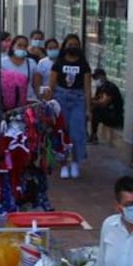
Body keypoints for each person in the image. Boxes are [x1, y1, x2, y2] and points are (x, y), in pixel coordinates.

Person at [49, 34, 92, 179]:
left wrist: (88, 109)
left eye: (75, 44)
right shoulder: (58, 63)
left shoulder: (83, 65)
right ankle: (62, 164)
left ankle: (74, 162)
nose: (72, 47)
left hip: (78, 100)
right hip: (60, 98)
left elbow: (87, 88)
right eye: (70, 44)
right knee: (61, 132)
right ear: (65, 46)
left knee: (77, 133)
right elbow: (51, 85)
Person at [88, 68, 124, 143]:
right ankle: (86, 134)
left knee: (96, 110)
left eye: (96, 78)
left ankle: (94, 136)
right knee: (87, 109)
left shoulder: (110, 87)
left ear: (102, 77)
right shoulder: (100, 87)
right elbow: (95, 99)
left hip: (114, 115)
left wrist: (91, 102)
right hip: (106, 114)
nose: (95, 80)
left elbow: (104, 102)